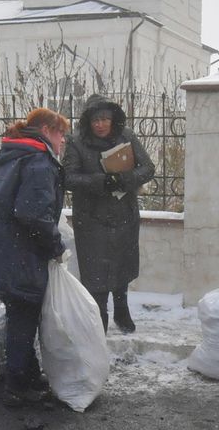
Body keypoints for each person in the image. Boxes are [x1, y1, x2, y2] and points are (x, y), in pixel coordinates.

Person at [0, 108, 71, 407]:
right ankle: (16, 384)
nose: (63, 140)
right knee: (24, 313)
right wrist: (55, 246)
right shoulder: (38, 160)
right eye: (61, 133)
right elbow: (32, 213)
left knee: (19, 310)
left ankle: (27, 374)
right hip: (18, 249)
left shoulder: (10, 155)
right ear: (46, 130)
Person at [62, 95, 157, 333]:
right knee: (95, 270)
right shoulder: (76, 142)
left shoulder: (127, 136)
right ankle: (99, 313)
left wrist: (125, 179)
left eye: (105, 119)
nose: (101, 124)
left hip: (124, 212)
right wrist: (99, 181)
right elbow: (67, 177)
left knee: (122, 264)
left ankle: (121, 308)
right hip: (91, 216)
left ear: (113, 119)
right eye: (95, 120)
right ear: (88, 122)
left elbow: (148, 168)